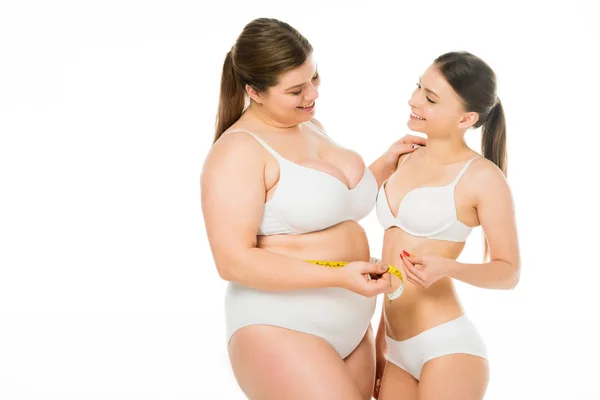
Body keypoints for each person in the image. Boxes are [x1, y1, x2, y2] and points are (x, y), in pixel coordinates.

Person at [200, 18, 425, 399]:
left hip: (352, 327)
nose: (312, 94)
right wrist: (338, 276)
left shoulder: (311, 125)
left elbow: (327, 203)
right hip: (281, 326)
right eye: (295, 90)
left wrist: (385, 165)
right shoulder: (238, 151)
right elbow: (233, 262)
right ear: (254, 91)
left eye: (314, 77)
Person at [373, 51, 521, 400]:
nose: (414, 101)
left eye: (430, 98)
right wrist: (381, 345)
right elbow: (390, 261)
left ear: (466, 118)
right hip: (395, 348)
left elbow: (509, 272)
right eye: (418, 88)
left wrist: (448, 268)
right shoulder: (403, 155)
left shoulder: (483, 178)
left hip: (447, 347)